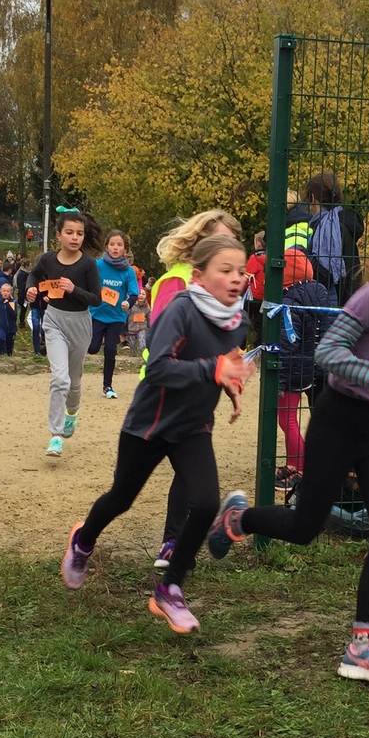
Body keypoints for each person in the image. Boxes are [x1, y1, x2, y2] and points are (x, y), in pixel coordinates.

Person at [209, 213, 369, 684]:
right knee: (304, 527)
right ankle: (237, 519)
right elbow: (329, 354)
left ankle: (364, 645)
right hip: (337, 420)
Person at [60, 233, 249, 633]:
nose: (237, 278)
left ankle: (170, 588)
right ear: (199, 275)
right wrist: (213, 370)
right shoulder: (181, 309)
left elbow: (224, 362)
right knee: (121, 499)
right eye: (226, 270)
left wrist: (231, 384)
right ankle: (83, 540)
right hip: (150, 424)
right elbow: (159, 368)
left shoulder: (239, 320)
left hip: (193, 427)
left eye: (241, 271)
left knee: (205, 504)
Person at [144, 209, 244, 567]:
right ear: (197, 241)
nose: (225, 248)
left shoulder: (225, 281)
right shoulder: (177, 281)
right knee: (130, 482)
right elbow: (161, 343)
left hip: (199, 387)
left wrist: (231, 374)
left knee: (190, 471)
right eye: (218, 239)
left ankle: (174, 543)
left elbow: (223, 338)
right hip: (164, 390)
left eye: (231, 241)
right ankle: (89, 537)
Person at [25, 210, 102, 457]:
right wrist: (30, 289)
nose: (75, 237)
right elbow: (34, 275)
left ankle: (72, 412)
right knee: (60, 379)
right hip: (54, 320)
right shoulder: (48, 259)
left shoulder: (88, 264)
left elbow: (97, 299)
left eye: (80, 233)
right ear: (58, 235)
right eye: (69, 232)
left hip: (80, 323)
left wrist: (73, 289)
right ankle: (56, 436)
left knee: (74, 381)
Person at [274, 260, 334, 491]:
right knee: (313, 419)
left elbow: (286, 344)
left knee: (287, 419)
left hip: (293, 369)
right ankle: (302, 466)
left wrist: (279, 380)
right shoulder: (320, 294)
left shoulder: (289, 301)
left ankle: (298, 469)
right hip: (313, 367)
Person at [90, 229, 139, 398]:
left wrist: (128, 303)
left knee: (111, 350)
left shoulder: (129, 271)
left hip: (116, 317)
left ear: (125, 249)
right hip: (96, 313)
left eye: (119, 245)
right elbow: (87, 282)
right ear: (106, 247)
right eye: (112, 244)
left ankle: (107, 386)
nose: (115, 248)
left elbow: (133, 294)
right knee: (93, 348)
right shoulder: (97, 265)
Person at [305, 171, 365, 304]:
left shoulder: (327, 228)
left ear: (313, 198)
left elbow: (324, 273)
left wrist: (305, 258)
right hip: (351, 299)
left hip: (334, 302)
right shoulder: (342, 223)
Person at [0, 283, 18, 356]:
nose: (5, 293)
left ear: (11, 293)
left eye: (7, 291)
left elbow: (14, 315)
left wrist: (8, 304)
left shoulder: (13, 302)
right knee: (1, 338)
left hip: (11, 327)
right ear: (1, 292)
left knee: (9, 343)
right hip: (1, 325)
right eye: (4, 291)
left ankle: (8, 353)